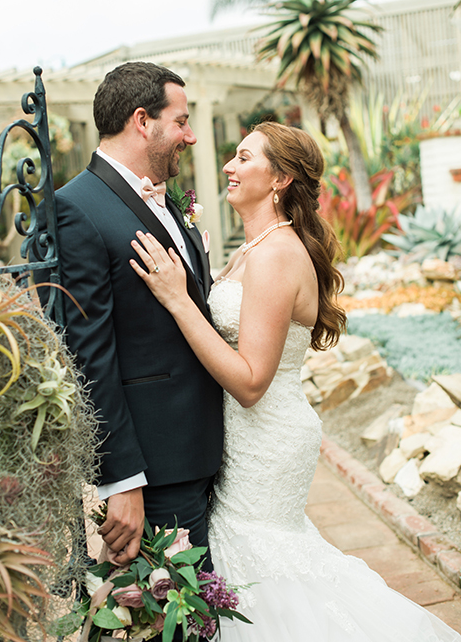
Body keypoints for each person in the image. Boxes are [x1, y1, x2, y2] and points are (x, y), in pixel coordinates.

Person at [130, 121, 461, 641]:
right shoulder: (253, 250)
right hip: (249, 434)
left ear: (280, 178)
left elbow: (251, 381)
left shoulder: (277, 255)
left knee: (264, 565)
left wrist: (177, 299)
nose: (228, 167)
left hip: (267, 434)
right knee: (259, 563)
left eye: (243, 158)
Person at [35, 61, 223, 571]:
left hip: (201, 453)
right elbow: (86, 354)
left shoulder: (165, 201)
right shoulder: (75, 209)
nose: (190, 136)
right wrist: (122, 481)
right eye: (181, 122)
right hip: (154, 471)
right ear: (143, 121)